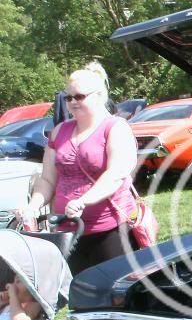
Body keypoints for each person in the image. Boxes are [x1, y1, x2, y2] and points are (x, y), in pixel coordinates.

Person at [17, 62, 140, 274]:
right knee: (79, 289)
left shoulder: (115, 128)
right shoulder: (59, 132)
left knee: (117, 289)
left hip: (111, 229)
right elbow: (48, 180)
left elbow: (116, 174)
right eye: (68, 98)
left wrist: (84, 200)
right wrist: (33, 206)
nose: (73, 102)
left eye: (80, 96)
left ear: (99, 96)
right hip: (67, 231)